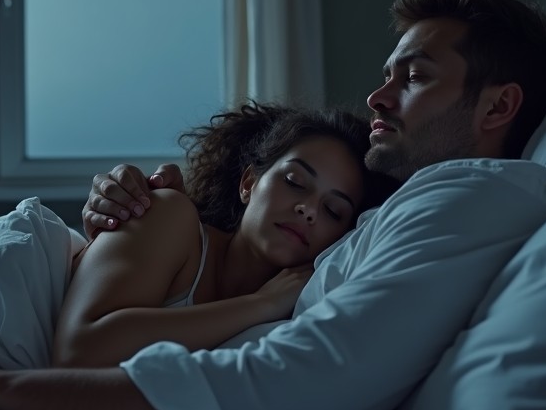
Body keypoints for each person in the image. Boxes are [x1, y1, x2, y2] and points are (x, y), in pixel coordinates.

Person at [0, 0, 546, 410]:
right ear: (249, 183)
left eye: (415, 77)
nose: (379, 95)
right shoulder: (185, 220)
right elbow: (84, 346)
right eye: (295, 182)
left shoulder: (451, 209)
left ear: (497, 107)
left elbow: (302, 372)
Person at [50, 100, 393, 368]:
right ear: (248, 184)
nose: (308, 209)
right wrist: (261, 304)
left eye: (334, 211)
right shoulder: (171, 215)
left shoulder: (309, 309)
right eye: (294, 182)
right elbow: (79, 353)